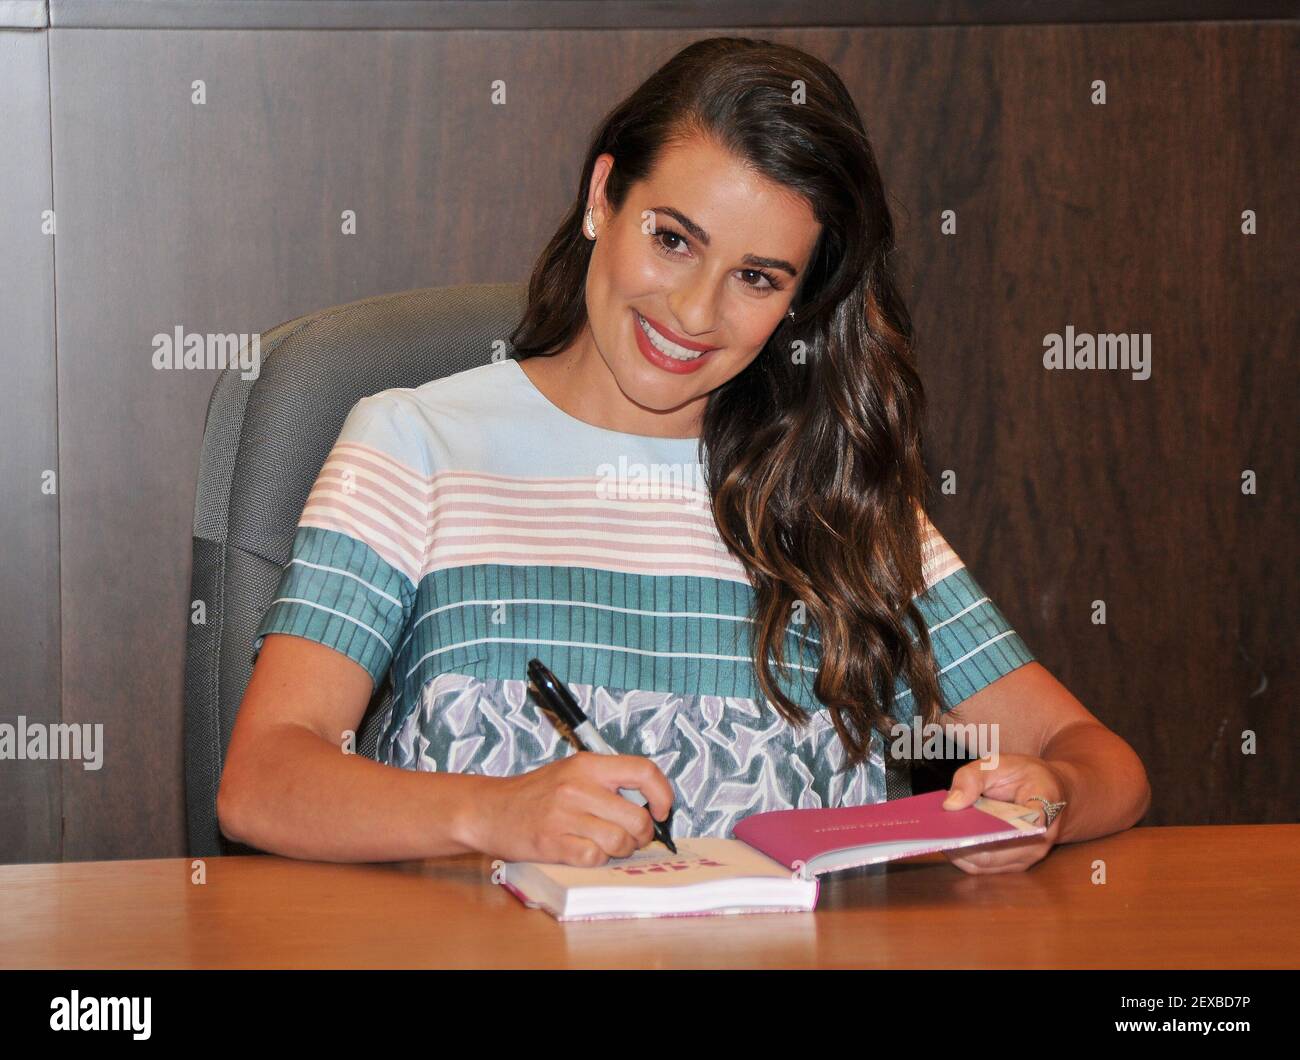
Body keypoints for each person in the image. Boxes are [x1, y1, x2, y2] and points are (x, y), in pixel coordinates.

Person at [217, 37, 1150, 873]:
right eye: (673, 240)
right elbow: (262, 780)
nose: (695, 314)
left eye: (756, 277)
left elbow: (1098, 759)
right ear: (600, 199)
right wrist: (491, 812)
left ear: (799, 306)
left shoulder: (834, 494)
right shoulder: (416, 444)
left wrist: (1041, 802)